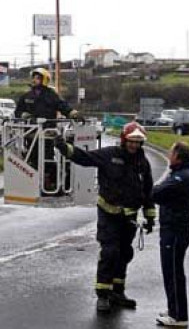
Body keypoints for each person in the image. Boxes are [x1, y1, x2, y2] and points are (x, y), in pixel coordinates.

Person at [55, 122, 157, 313]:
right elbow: (84, 158)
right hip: (109, 214)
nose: (134, 146)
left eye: (138, 142)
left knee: (125, 253)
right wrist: (64, 148)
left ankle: (118, 292)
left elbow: (147, 191)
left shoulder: (143, 163)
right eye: (131, 141)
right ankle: (103, 294)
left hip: (130, 218)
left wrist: (150, 216)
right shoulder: (109, 155)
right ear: (124, 140)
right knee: (109, 252)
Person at [152, 142, 189, 327]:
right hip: (174, 228)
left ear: (178, 156)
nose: (169, 154)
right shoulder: (180, 174)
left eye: (171, 152)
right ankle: (175, 309)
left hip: (176, 229)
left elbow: (157, 193)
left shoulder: (181, 177)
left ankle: (178, 317)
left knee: (173, 272)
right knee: (172, 271)